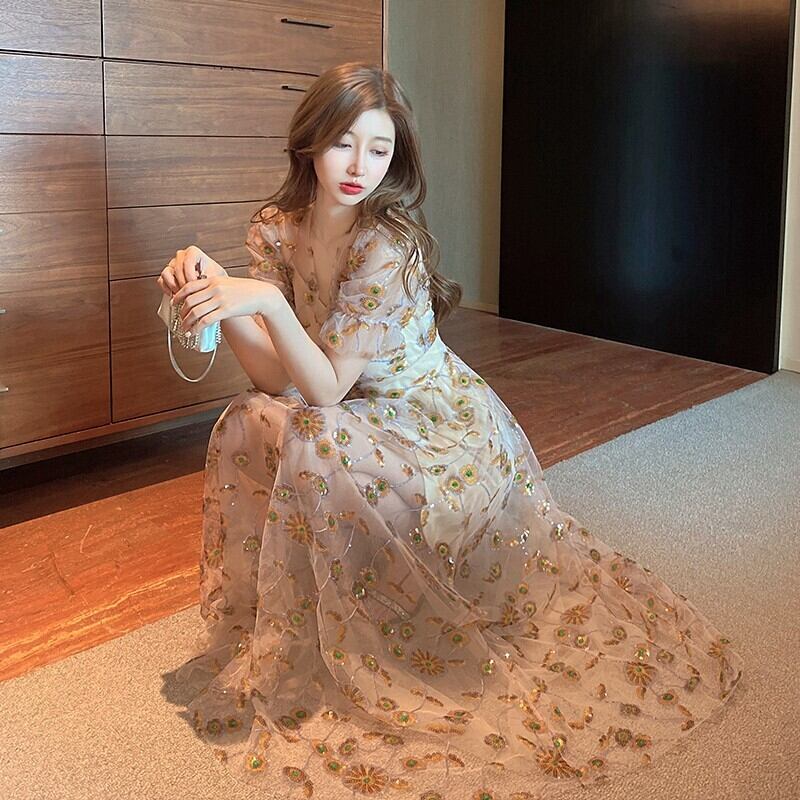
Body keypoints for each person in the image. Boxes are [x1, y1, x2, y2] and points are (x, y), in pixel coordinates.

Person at [158, 62, 743, 798]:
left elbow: (326, 388)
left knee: (313, 436)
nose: (360, 166)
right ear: (308, 143)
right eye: (342, 144)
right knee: (247, 419)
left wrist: (264, 304)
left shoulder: (386, 244)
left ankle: (375, 636)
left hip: (427, 422)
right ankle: (295, 612)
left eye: (379, 149)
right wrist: (219, 295)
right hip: (341, 408)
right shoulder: (277, 228)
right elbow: (276, 380)